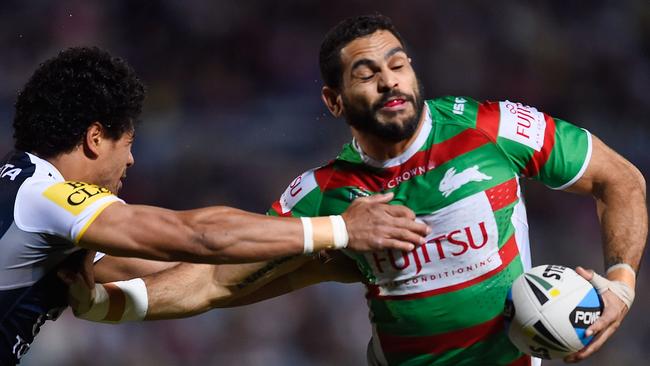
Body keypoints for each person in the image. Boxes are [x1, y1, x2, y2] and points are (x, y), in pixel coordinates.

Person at [67, 15, 647, 365]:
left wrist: (620, 284)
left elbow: (619, 179)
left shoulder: (491, 128)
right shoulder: (322, 195)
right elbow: (217, 281)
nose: (390, 79)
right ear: (333, 101)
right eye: (366, 73)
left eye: (398, 64)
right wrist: (107, 305)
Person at [0, 46, 430, 365]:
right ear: (95, 139)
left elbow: (205, 278)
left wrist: (317, 264)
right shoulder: (45, 197)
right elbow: (197, 238)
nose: (130, 160)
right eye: (128, 145)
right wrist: (340, 228)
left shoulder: (33, 205)